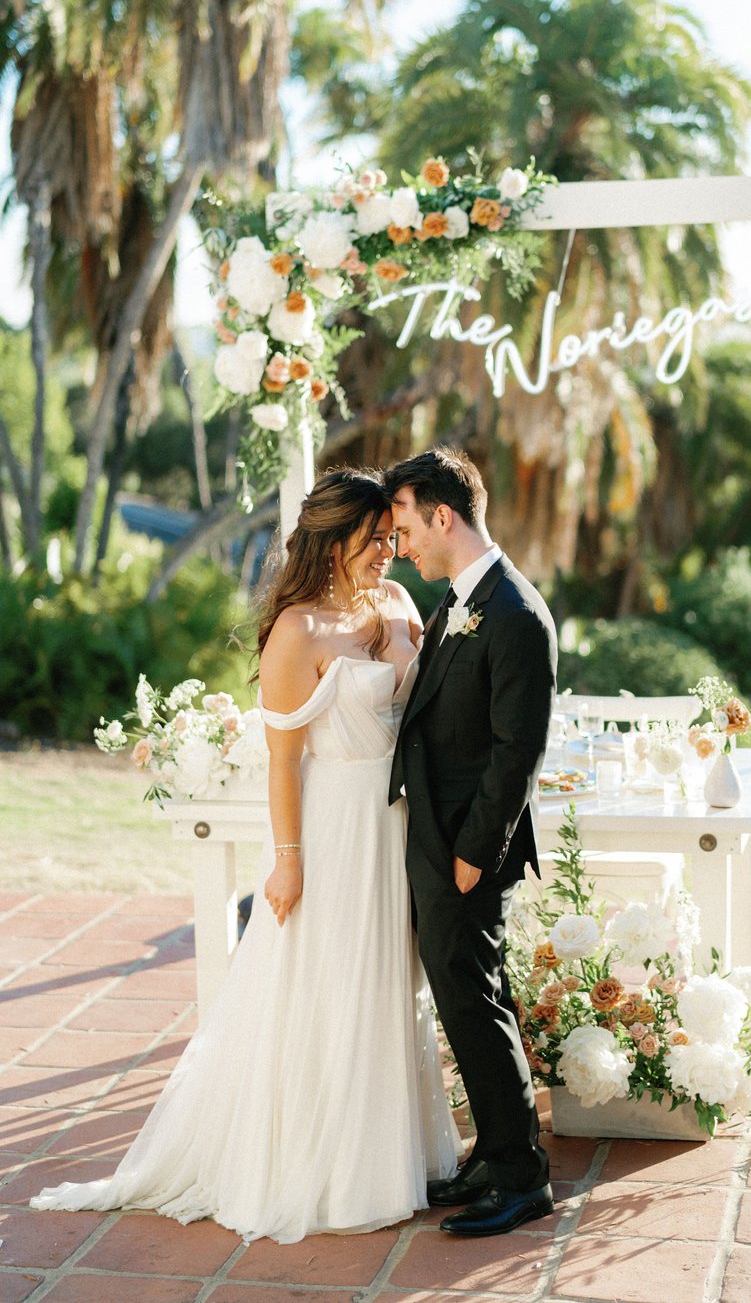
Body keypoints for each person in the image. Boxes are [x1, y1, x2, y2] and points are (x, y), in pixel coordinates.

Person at [31, 469, 461, 1242]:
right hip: (333, 826)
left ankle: (383, 1148)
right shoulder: (295, 631)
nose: (388, 555)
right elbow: (283, 760)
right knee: (325, 981)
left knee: (385, 980)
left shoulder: (399, 605)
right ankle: (321, 1165)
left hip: (397, 823)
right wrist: (288, 859)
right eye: (373, 542)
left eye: (393, 539)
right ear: (333, 543)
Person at [385, 446, 557, 1238]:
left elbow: (514, 754)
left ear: (443, 516)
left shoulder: (515, 614)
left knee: (475, 999)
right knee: (467, 994)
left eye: (406, 525)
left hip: (466, 847)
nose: (401, 543)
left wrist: (468, 856)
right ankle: (496, 1148)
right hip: (438, 836)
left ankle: (522, 1178)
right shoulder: (465, 597)